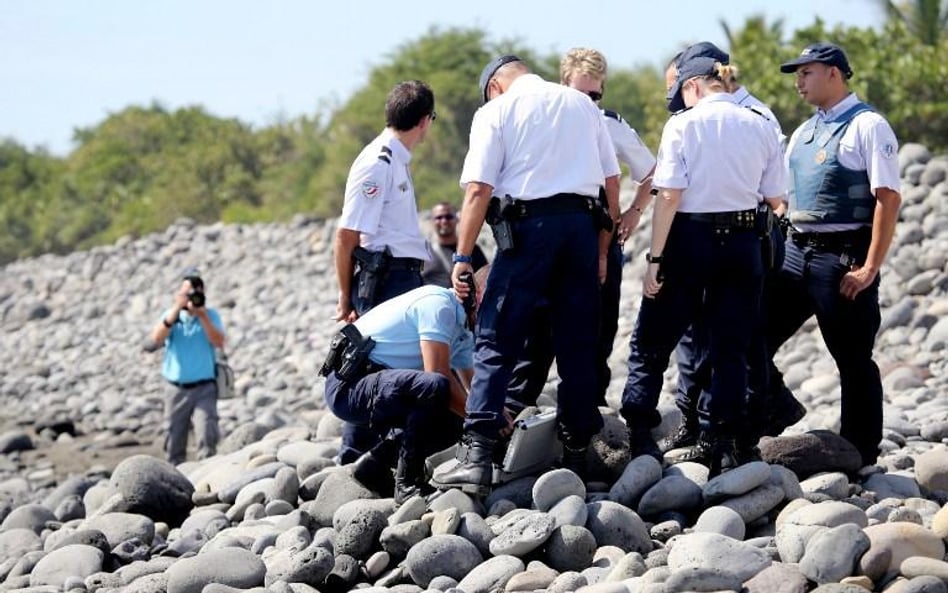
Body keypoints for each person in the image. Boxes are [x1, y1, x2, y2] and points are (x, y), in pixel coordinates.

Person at [430, 55, 621, 495]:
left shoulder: (495, 112)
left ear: (495, 86)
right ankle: (576, 453)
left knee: (497, 338)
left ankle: (475, 455)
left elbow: (478, 188)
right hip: (581, 229)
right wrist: (603, 250)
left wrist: (462, 256)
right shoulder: (581, 104)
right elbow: (612, 181)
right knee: (577, 342)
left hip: (529, 230)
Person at [620, 54, 786, 476]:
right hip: (744, 240)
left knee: (651, 341)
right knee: (729, 347)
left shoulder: (683, 124)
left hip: (691, 240)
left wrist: (655, 259)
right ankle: (725, 443)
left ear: (692, 86)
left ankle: (640, 434)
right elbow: (774, 195)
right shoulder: (760, 122)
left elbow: (670, 195)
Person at [658, 42, 803, 456]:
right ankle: (699, 419)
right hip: (714, 238)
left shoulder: (755, 116)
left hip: (745, 236)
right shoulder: (710, 117)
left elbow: (772, 193)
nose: (676, 102)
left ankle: (741, 428)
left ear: (699, 81)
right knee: (696, 336)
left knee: (739, 338)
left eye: (678, 89)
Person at [762, 42, 901, 467]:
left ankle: (861, 451)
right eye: (797, 74)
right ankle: (776, 409)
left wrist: (870, 268)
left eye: (806, 72)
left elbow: (888, 198)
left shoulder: (868, 126)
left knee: (852, 357)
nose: (798, 81)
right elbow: (784, 195)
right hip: (795, 253)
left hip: (842, 258)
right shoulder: (804, 132)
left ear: (834, 74)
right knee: (750, 336)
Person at [506, 47, 655, 409]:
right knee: (536, 337)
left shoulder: (609, 123)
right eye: (581, 94)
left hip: (598, 233)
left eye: (595, 95)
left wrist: (635, 212)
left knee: (597, 338)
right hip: (549, 236)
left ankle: (589, 423)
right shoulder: (540, 119)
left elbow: (653, 173)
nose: (589, 102)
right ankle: (512, 417)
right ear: (562, 85)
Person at [320, 266, 490, 504]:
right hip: (349, 386)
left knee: (455, 421)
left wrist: (495, 416)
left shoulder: (463, 330)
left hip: (379, 383)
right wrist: (484, 426)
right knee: (436, 387)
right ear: (477, 295)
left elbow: (473, 391)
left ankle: (374, 466)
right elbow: (437, 374)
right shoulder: (439, 305)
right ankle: (408, 483)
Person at [333, 80, 436, 464]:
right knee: (374, 364)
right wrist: (346, 297)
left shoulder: (395, 160)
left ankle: (384, 454)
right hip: (386, 277)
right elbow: (346, 236)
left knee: (400, 364)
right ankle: (354, 457)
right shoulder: (379, 162)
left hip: (402, 273)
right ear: (425, 121)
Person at [150, 269, 225, 465]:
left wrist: (203, 317)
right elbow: (156, 338)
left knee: (206, 433)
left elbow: (219, 342)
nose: (192, 298)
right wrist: (177, 308)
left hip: (204, 388)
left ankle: (207, 476)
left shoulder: (210, 315)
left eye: (196, 294)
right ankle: (175, 475)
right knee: (174, 437)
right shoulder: (171, 316)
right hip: (176, 388)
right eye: (187, 294)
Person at [422, 202, 488, 288]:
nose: (444, 221)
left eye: (448, 217)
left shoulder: (471, 249)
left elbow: (485, 277)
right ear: (431, 221)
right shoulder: (423, 252)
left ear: (457, 219)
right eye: (439, 218)